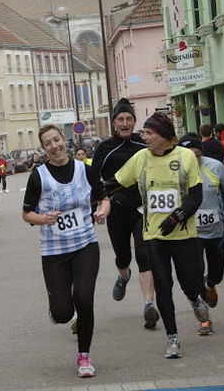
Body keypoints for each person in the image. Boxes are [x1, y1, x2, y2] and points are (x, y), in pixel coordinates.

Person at [114, 112, 209, 359]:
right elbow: (115, 183)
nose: (143, 137)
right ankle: (172, 337)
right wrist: (92, 194)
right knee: (163, 287)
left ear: (165, 136)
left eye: (149, 133)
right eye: (143, 132)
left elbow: (196, 196)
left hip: (184, 234)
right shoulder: (140, 158)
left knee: (189, 283)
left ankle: (196, 299)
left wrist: (177, 216)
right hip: (154, 236)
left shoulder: (185, 156)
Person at [22, 124, 110, 378]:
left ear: (64, 140)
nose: (54, 146)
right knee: (62, 313)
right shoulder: (38, 176)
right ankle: (60, 308)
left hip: (85, 244)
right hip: (54, 250)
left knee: (84, 299)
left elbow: (103, 198)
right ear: (44, 148)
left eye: (56, 140)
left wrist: (103, 211)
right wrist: (42, 219)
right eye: (48, 143)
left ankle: (84, 356)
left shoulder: (85, 170)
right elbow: (26, 213)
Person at [92, 98, 160, 329]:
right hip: (116, 211)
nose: (124, 123)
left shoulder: (144, 145)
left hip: (142, 209)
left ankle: (148, 304)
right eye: (120, 119)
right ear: (114, 123)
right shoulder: (104, 149)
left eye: (129, 118)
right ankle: (123, 276)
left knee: (144, 255)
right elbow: (94, 181)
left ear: (134, 122)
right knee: (123, 257)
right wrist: (98, 205)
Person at [177, 136, 224, 334]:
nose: (193, 159)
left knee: (217, 274)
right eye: (188, 156)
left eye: (197, 155)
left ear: (202, 153)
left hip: (216, 231)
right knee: (193, 274)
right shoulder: (176, 172)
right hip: (190, 233)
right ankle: (204, 319)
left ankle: (210, 284)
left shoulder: (215, 167)